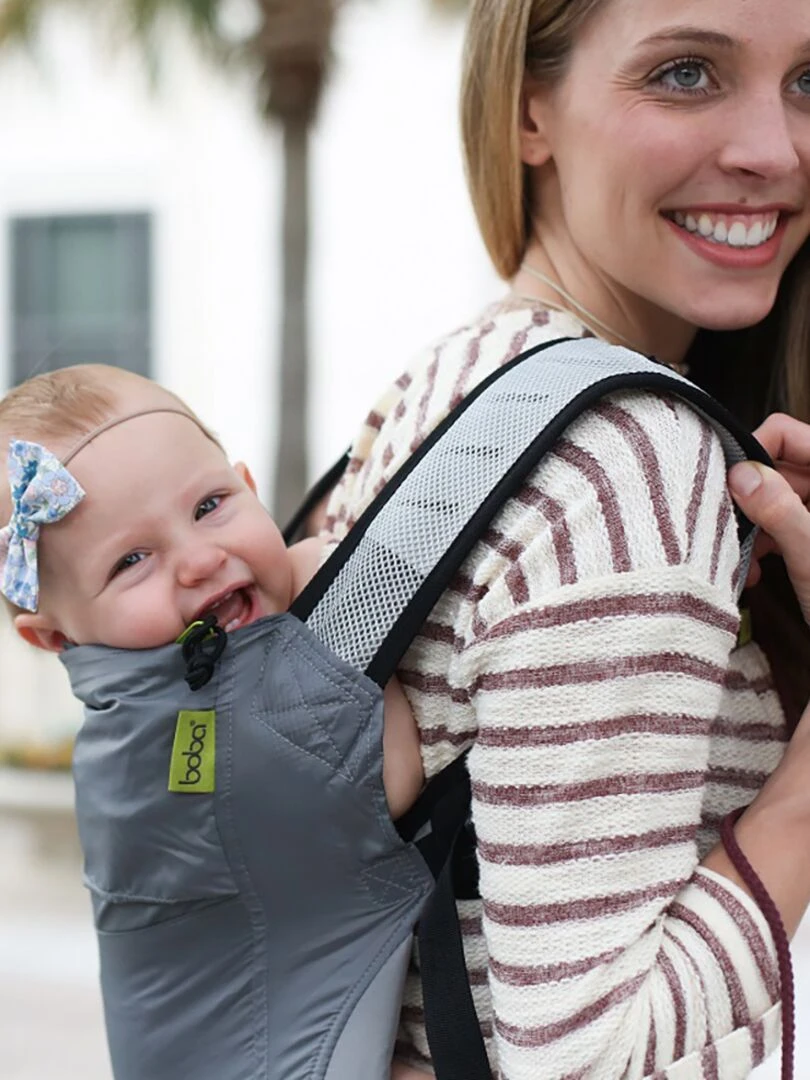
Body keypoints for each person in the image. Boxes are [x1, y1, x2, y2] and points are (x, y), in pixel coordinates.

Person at [321, 0, 810, 1077]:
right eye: (686, 73)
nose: (774, 151)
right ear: (528, 111)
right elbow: (589, 1058)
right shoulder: (633, 452)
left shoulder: (447, 387)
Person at [0, 363, 425, 821]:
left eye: (208, 507)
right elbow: (384, 794)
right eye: (132, 560)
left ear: (250, 489)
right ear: (58, 638)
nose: (201, 561)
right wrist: (349, 598)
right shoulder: (154, 730)